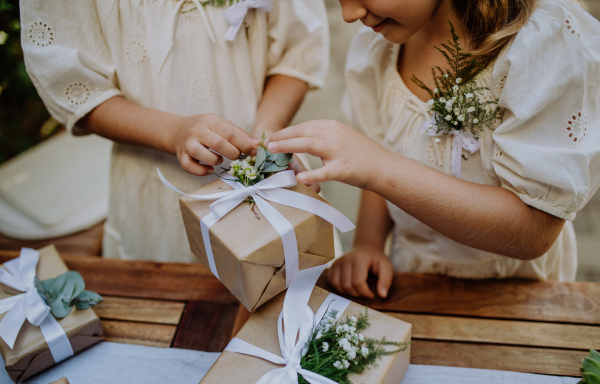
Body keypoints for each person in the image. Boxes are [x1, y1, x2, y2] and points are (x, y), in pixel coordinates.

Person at [266, 0, 600, 298]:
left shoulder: (543, 41)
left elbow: (532, 231)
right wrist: (368, 243)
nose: (349, 13)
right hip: (412, 278)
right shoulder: (379, 49)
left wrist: (378, 166)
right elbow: (380, 156)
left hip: (518, 293)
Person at [20, 0, 328, 262]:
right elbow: (74, 85)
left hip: (266, 181)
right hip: (157, 199)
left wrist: (267, 133)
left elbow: (297, 49)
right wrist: (174, 132)